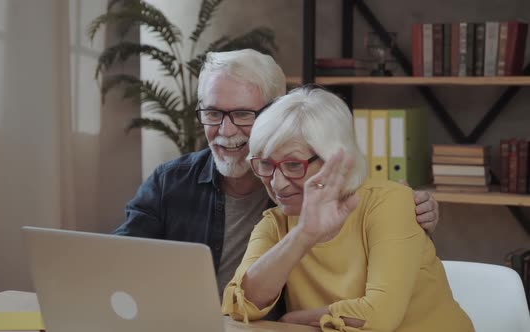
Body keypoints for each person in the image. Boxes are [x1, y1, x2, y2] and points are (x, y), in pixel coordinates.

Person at [114, 49, 440, 296]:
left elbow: (372, 214)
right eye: (213, 113)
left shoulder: (308, 184)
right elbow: (116, 260)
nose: (225, 130)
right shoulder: (170, 181)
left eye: (242, 114)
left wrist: (415, 209)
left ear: (277, 114)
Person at [221, 85, 473, 332]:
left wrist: (294, 319)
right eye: (265, 164)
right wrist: (304, 235)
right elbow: (239, 306)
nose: (277, 182)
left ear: (334, 158)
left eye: (293, 165)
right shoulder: (274, 223)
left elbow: (379, 317)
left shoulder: (389, 203)